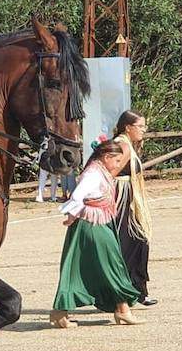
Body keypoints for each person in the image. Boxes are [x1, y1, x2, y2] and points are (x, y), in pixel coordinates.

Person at [49, 138, 142, 328]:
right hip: (91, 225)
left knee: (83, 265)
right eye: (116, 161)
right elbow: (77, 195)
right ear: (107, 157)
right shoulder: (93, 173)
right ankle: (122, 310)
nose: (118, 165)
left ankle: (61, 313)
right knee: (112, 264)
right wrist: (72, 214)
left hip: (98, 222)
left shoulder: (101, 171)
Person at [113, 111, 157, 306]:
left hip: (130, 201)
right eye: (140, 126)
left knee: (140, 242)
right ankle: (122, 295)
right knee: (125, 248)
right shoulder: (121, 146)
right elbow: (107, 172)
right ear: (128, 127)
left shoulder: (128, 144)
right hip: (119, 202)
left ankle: (139, 290)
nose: (144, 130)